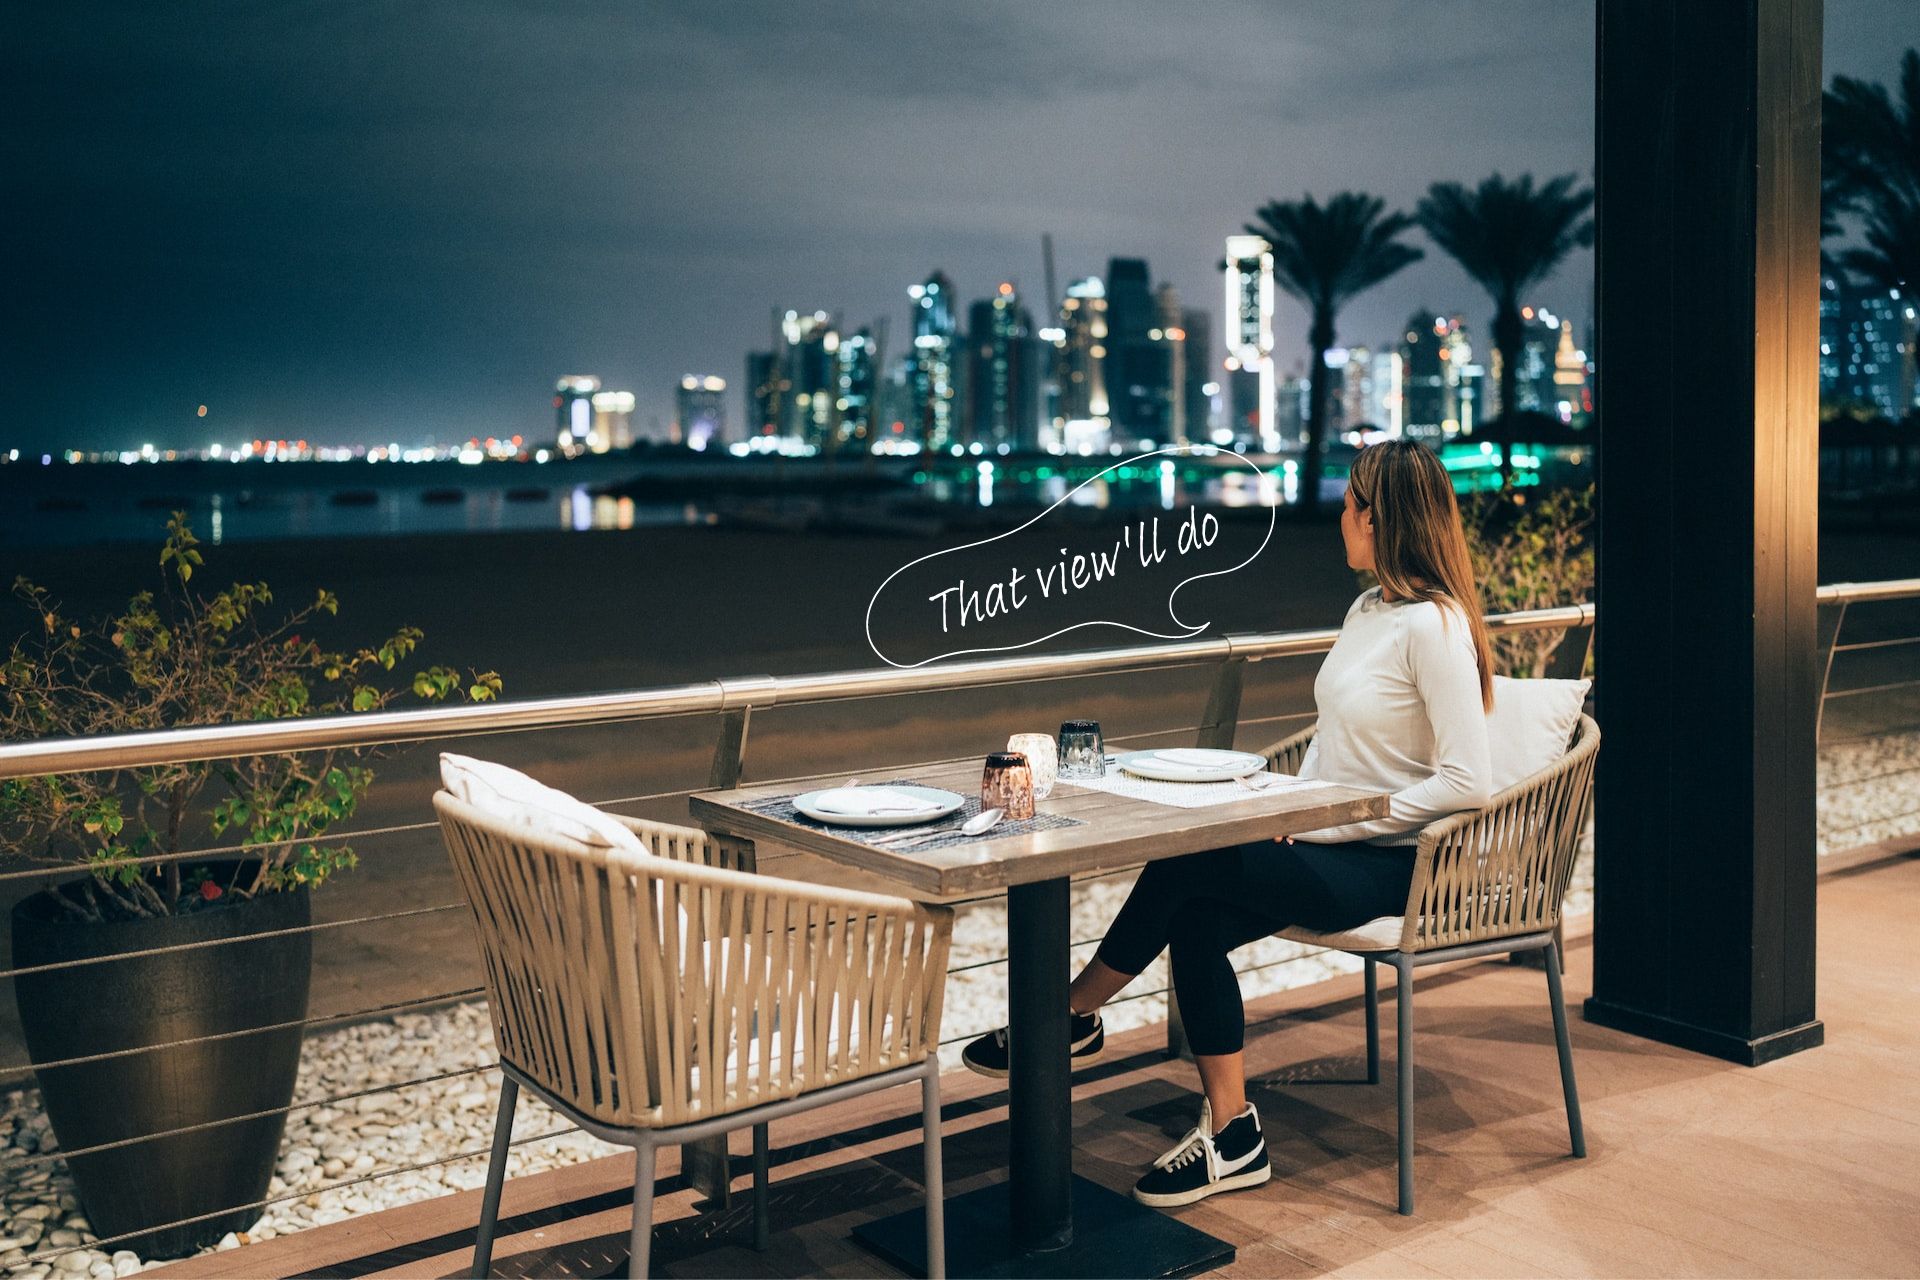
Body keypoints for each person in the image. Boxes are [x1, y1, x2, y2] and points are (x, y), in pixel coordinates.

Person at [961, 438, 1496, 1208]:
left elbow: (1467, 781)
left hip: (1389, 864)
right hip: (1325, 836)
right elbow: (1340, 750)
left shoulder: (1435, 627)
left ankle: (1068, 1015)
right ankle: (1233, 1133)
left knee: (1192, 862)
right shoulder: (1369, 608)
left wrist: (1321, 825)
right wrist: (1277, 804)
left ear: (1383, 521)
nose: (1340, 516)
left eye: (1351, 505)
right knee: (1200, 919)